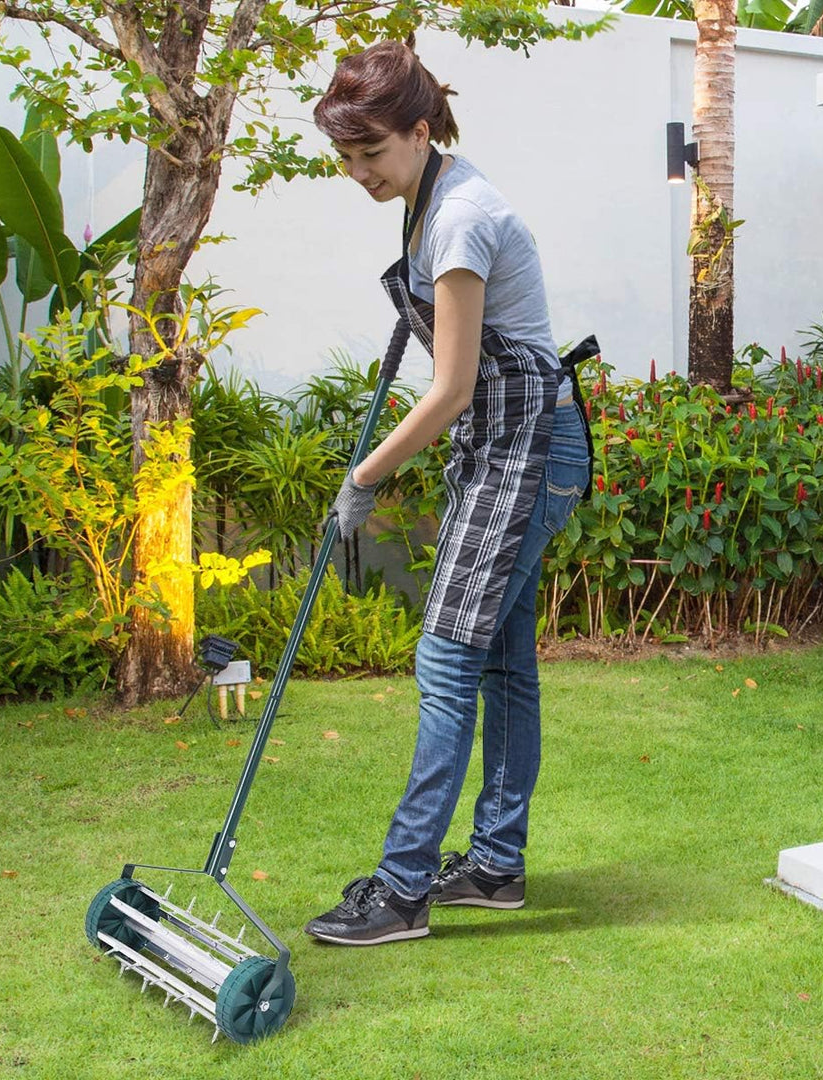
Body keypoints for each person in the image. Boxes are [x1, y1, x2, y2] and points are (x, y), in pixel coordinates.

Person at [305, 38, 593, 946]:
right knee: (502, 662)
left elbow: (454, 389)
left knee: (445, 661)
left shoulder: (461, 216)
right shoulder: (431, 197)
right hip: (510, 447)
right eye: (346, 158)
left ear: (420, 131)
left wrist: (363, 479)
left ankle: (402, 889)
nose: (358, 174)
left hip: (526, 449)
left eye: (371, 155)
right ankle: (498, 867)